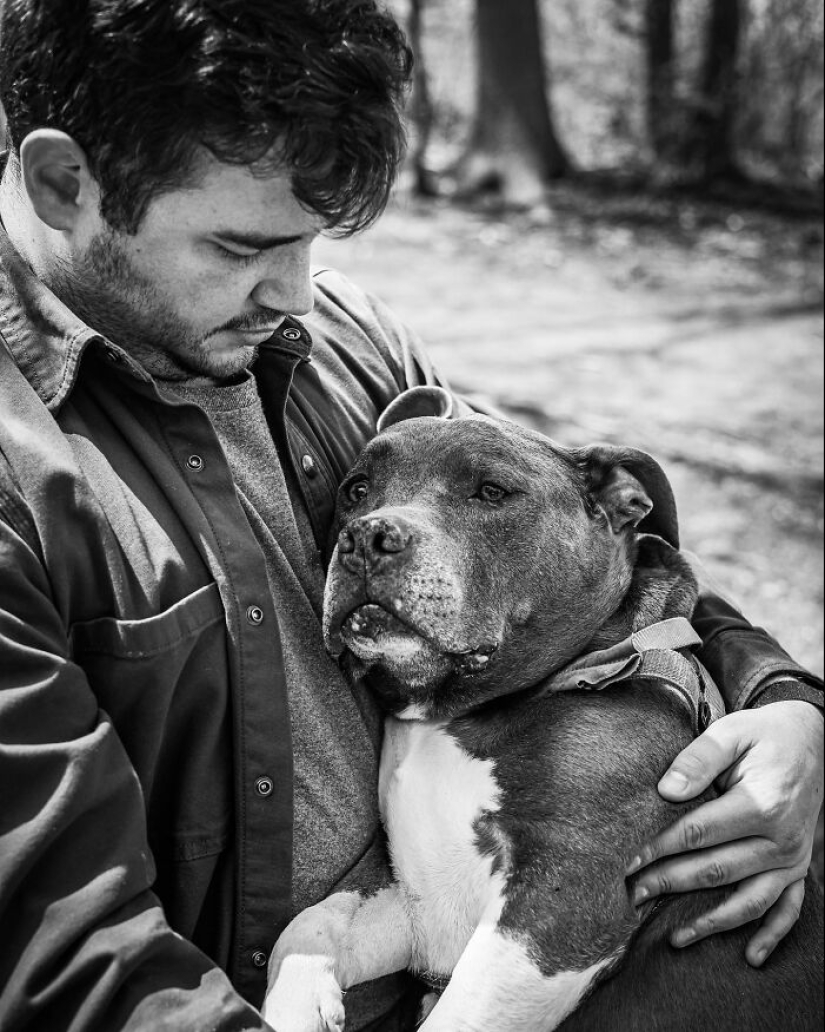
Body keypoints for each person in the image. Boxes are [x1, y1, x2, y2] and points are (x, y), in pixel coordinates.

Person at [0, 1, 821, 1029]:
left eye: (311, 242)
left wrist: (783, 696)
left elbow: (565, 535)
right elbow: (77, 961)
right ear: (65, 183)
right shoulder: (17, 480)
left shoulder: (347, 338)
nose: (297, 293)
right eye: (242, 244)